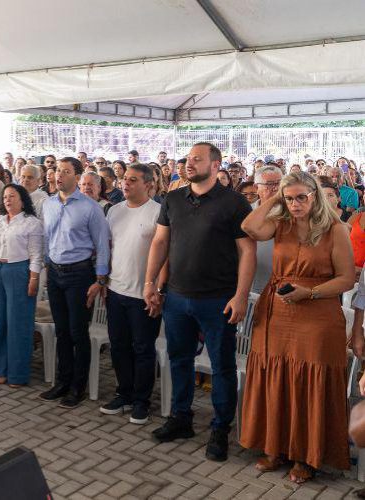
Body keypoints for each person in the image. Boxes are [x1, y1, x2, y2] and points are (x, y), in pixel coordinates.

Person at [240, 171, 354, 482]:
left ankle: (307, 456)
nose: (295, 203)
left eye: (301, 197)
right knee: (276, 377)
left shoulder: (336, 229)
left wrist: (312, 293)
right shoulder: (282, 223)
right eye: (290, 198)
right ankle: (275, 447)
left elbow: (346, 278)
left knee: (308, 382)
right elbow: (248, 226)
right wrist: (276, 196)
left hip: (318, 314)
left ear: (315, 195)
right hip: (278, 310)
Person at [143, 142, 254, 461]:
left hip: (218, 299)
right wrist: (150, 283)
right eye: (188, 159)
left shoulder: (233, 203)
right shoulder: (174, 199)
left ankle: (220, 429)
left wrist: (241, 295)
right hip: (177, 297)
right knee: (179, 360)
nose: (189, 164)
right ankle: (181, 418)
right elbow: (160, 241)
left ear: (216, 166)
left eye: (197, 159)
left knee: (222, 366)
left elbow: (247, 251)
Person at [38, 157, 111, 408]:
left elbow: (102, 246)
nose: (59, 175)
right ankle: (62, 381)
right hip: (56, 273)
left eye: (66, 171)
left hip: (80, 274)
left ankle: (78, 387)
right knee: (62, 331)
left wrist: (100, 279)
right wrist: (47, 265)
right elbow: (47, 238)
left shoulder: (91, 208)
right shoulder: (48, 204)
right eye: (57, 170)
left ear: (77, 177)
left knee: (78, 332)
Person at [100, 163, 162, 425]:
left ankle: (141, 401)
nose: (126, 183)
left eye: (133, 180)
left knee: (143, 349)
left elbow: (165, 255)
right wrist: (103, 280)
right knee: (119, 346)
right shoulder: (114, 211)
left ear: (148, 184)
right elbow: (109, 248)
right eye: (125, 179)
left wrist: (157, 290)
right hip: (116, 290)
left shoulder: (158, 212)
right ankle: (123, 393)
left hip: (143, 294)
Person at [0, 184, 43, 387]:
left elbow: (36, 254)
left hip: (19, 271)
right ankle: (1, 369)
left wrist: (33, 279)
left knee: (18, 324)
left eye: (12, 196)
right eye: (5, 197)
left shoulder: (32, 223)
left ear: (22, 199)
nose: (7, 200)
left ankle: (18, 374)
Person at [250, 165, 282, 295]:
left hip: (284, 282)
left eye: (279, 183)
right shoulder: (246, 213)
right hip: (254, 282)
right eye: (269, 184)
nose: (275, 188)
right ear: (256, 187)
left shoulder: (293, 212)